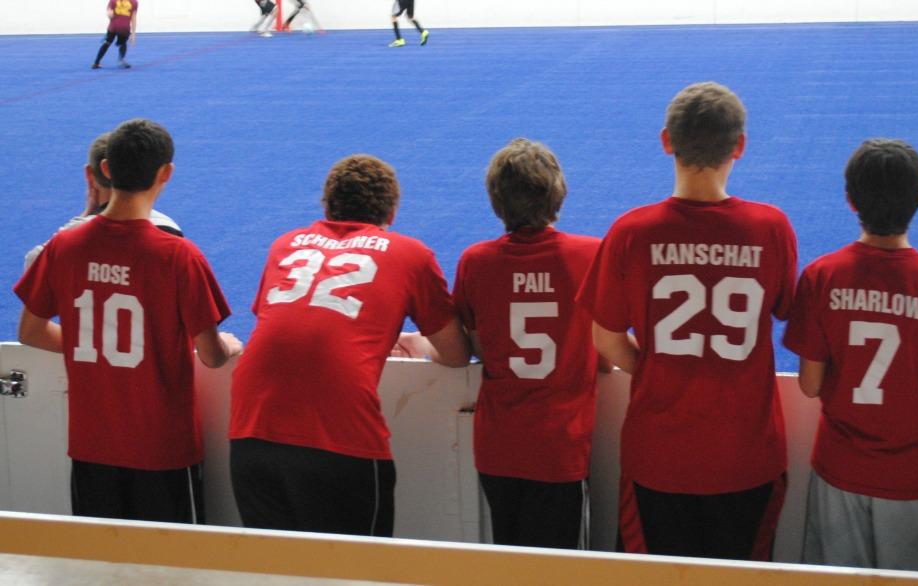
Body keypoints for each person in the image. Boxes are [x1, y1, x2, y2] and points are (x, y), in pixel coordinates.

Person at [577, 82, 797, 560]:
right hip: (748, 457)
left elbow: (607, 339)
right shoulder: (771, 227)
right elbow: (785, 310)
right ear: (739, 145)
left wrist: (654, 365)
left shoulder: (631, 231)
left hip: (658, 458)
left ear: (666, 141)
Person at [14, 118, 242, 523]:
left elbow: (29, 331)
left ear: (104, 170)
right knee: (174, 564)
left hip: (91, 444)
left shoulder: (63, 246)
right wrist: (229, 345)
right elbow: (210, 355)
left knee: (101, 562)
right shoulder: (178, 255)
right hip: (163, 448)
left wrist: (92, 338)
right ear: (165, 173)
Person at [228, 154, 469, 536]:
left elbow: (288, 324)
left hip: (251, 431)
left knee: (276, 571)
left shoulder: (284, 244)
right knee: (359, 570)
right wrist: (416, 342)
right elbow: (456, 353)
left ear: (326, 205)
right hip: (340, 437)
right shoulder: (410, 253)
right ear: (391, 211)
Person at [783, 139, 918, 572]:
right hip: (916, 480)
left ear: (850, 200)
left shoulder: (821, 276)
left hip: (838, 470)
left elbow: (810, 384)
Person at [445, 138, 606, 549]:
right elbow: (605, 349)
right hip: (559, 450)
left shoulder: (475, 262)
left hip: (498, 449)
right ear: (557, 192)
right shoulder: (589, 255)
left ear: (497, 200)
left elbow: (480, 343)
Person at [24, 132, 182, 271]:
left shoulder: (72, 236)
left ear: (90, 174)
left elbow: (33, 262)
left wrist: (83, 217)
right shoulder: (169, 228)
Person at [93, 0, 137, 69]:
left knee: (107, 43)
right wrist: (133, 34)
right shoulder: (134, 2)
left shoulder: (113, 1)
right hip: (124, 28)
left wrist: (111, 16)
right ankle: (121, 60)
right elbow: (133, 18)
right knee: (123, 43)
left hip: (113, 27)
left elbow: (109, 14)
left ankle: (96, 62)